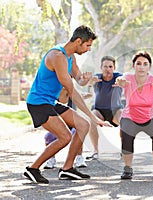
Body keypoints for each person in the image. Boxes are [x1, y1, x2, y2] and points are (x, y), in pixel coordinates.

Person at [24, 25, 111, 184]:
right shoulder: (58, 56)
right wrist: (94, 117)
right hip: (38, 103)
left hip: (50, 101)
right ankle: (33, 168)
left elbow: (78, 80)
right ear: (78, 41)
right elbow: (72, 91)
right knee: (64, 137)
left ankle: (67, 169)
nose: (89, 49)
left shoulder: (71, 57)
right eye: (87, 45)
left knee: (83, 125)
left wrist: (85, 80)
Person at [115, 51, 153, 179]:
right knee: (126, 133)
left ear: (149, 67)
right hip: (131, 117)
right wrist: (120, 81)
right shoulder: (128, 77)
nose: (141, 67)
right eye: (138, 63)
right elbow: (120, 80)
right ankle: (127, 168)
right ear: (134, 66)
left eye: (145, 64)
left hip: (150, 116)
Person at [86, 56, 123, 160]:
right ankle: (95, 151)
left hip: (115, 110)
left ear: (114, 67)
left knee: (125, 120)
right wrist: (90, 82)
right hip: (99, 110)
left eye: (110, 66)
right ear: (101, 67)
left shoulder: (119, 77)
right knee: (91, 119)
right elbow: (89, 83)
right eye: (105, 66)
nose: (108, 69)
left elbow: (124, 80)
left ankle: (124, 150)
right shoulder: (97, 78)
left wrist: (121, 81)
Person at [43, 88, 88, 169]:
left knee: (79, 132)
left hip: (72, 125)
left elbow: (80, 96)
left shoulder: (72, 93)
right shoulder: (53, 96)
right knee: (48, 136)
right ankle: (51, 159)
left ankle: (79, 157)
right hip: (58, 125)